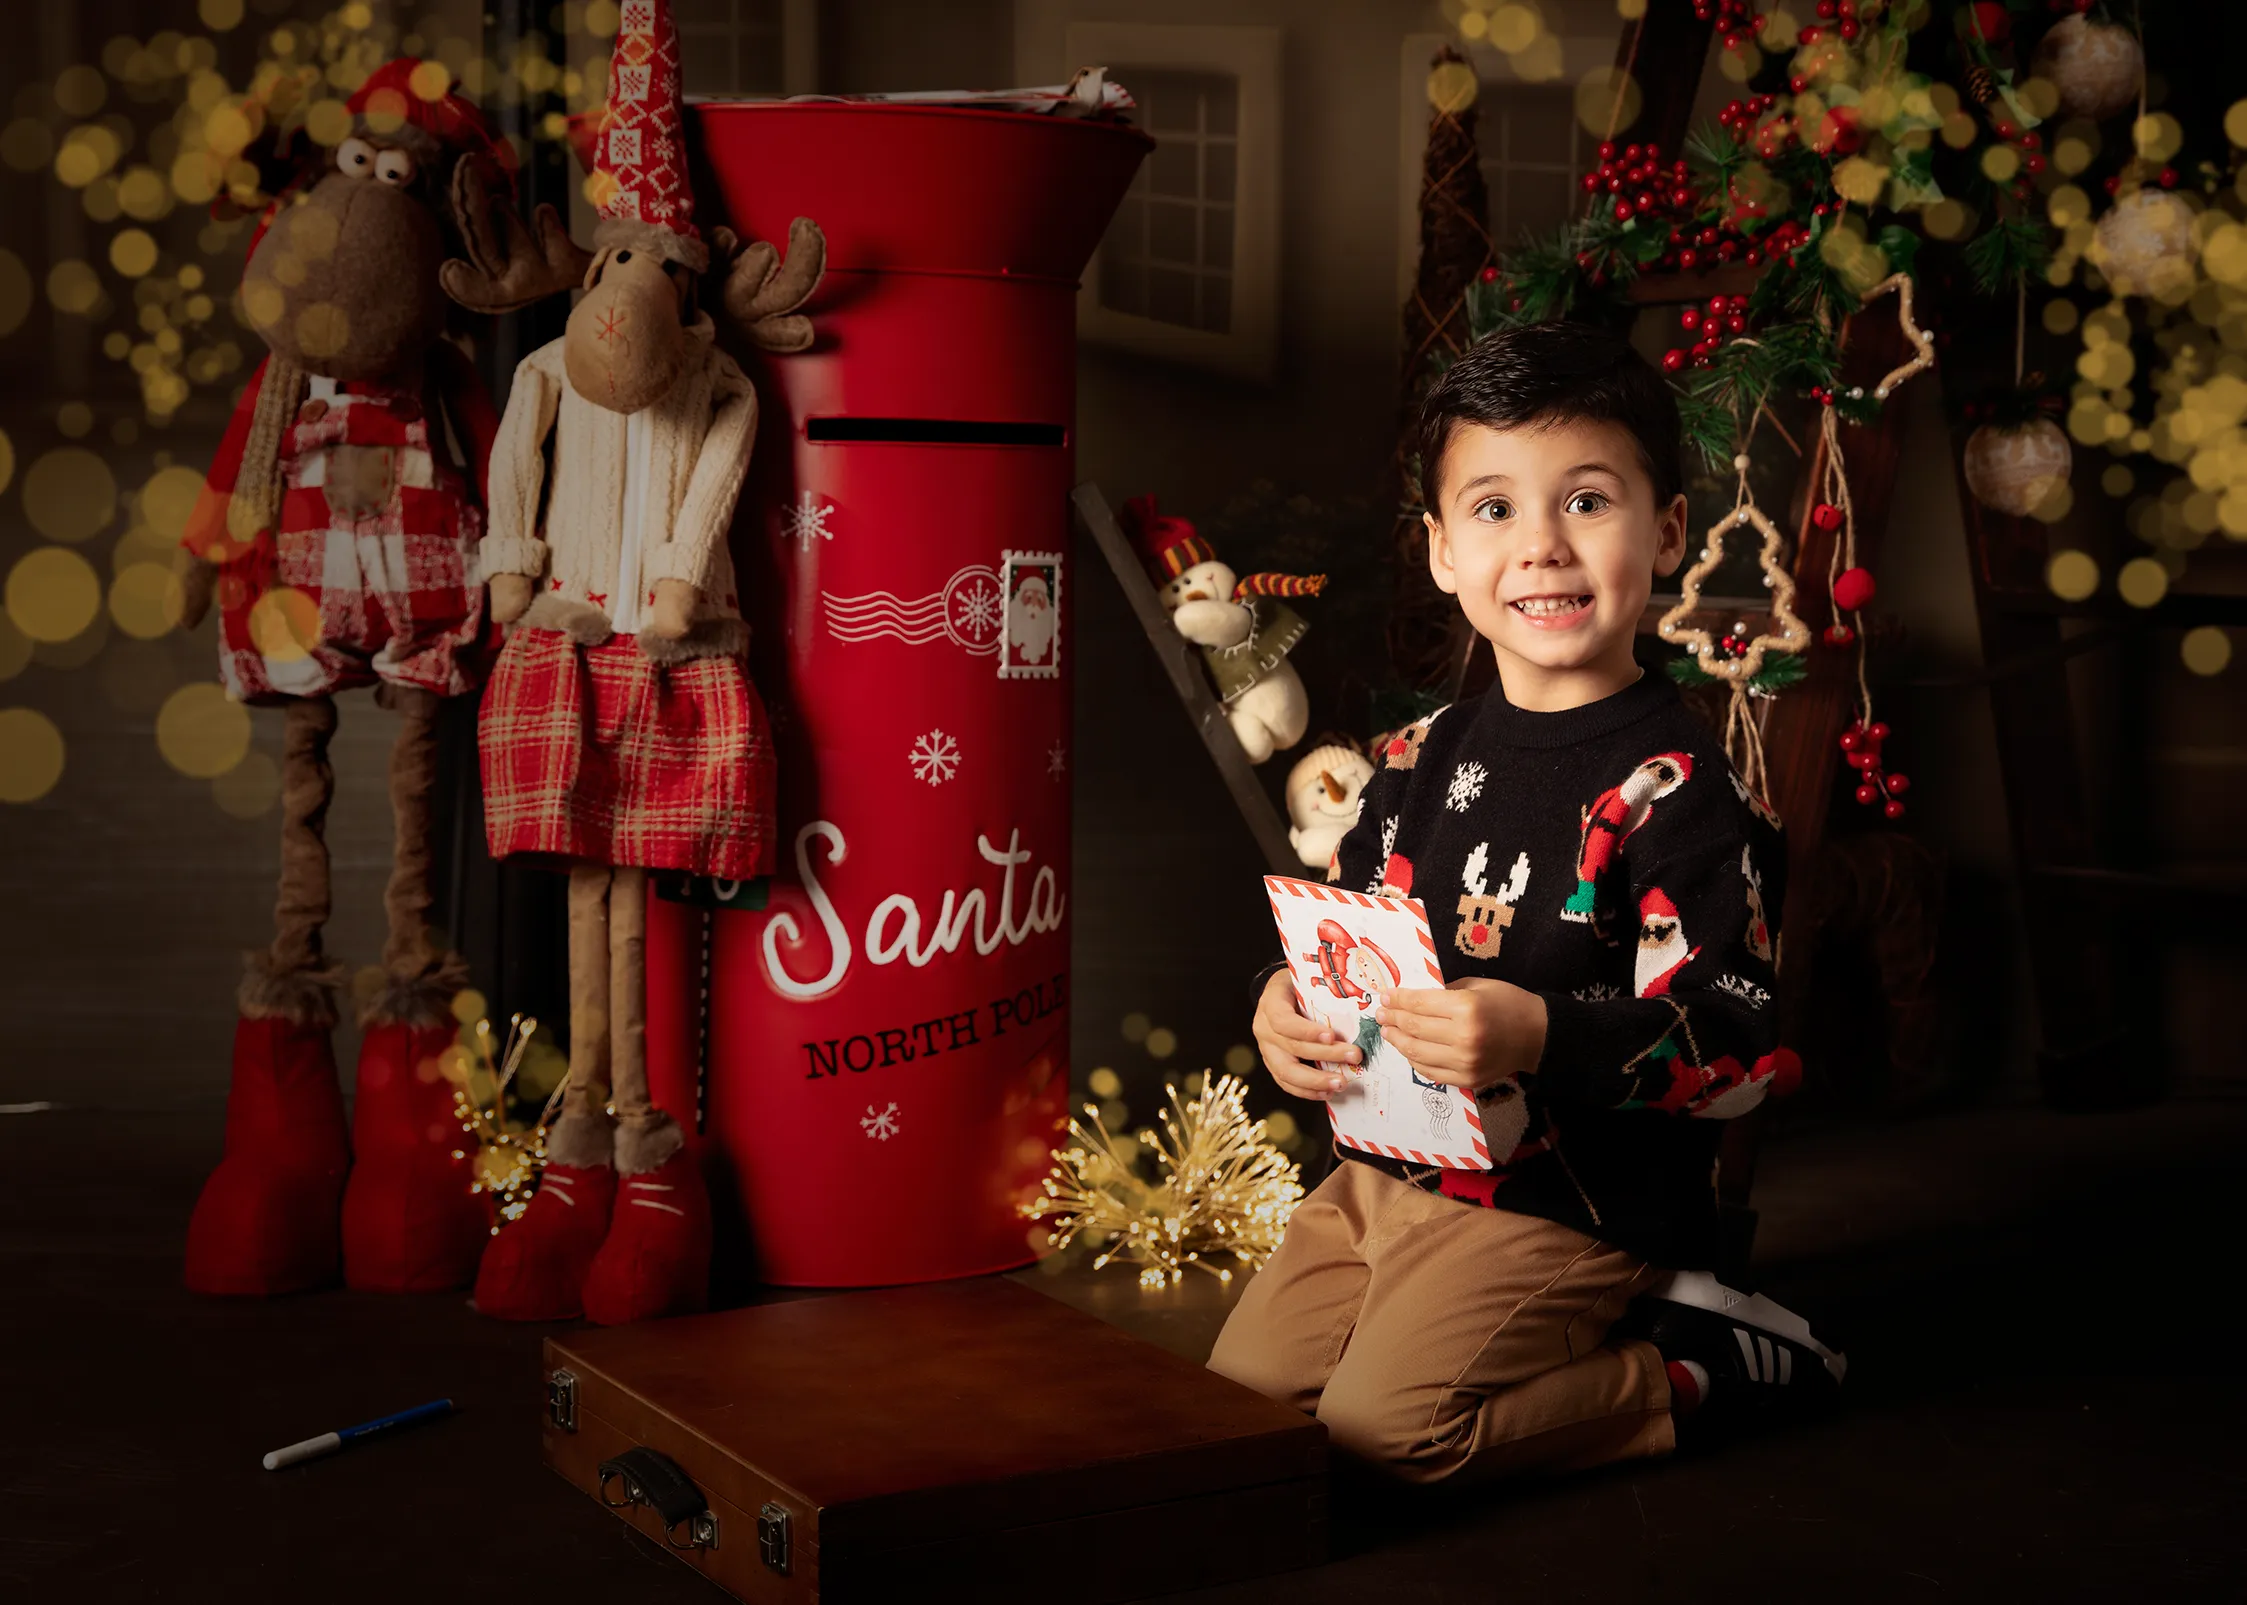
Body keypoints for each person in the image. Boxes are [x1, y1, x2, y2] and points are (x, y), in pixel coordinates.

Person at [1208, 322, 1844, 1485]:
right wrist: (1279, 1005)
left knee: (1382, 1438)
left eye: (1587, 501)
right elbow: (1340, 940)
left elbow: (1735, 1038)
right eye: (1495, 509)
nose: (1543, 547)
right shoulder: (1410, 758)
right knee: (1241, 1411)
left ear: (1667, 535)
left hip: (1570, 1201)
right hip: (1379, 1174)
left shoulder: (1683, 791)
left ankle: (1694, 1363)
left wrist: (1540, 1033)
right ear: (1444, 550)